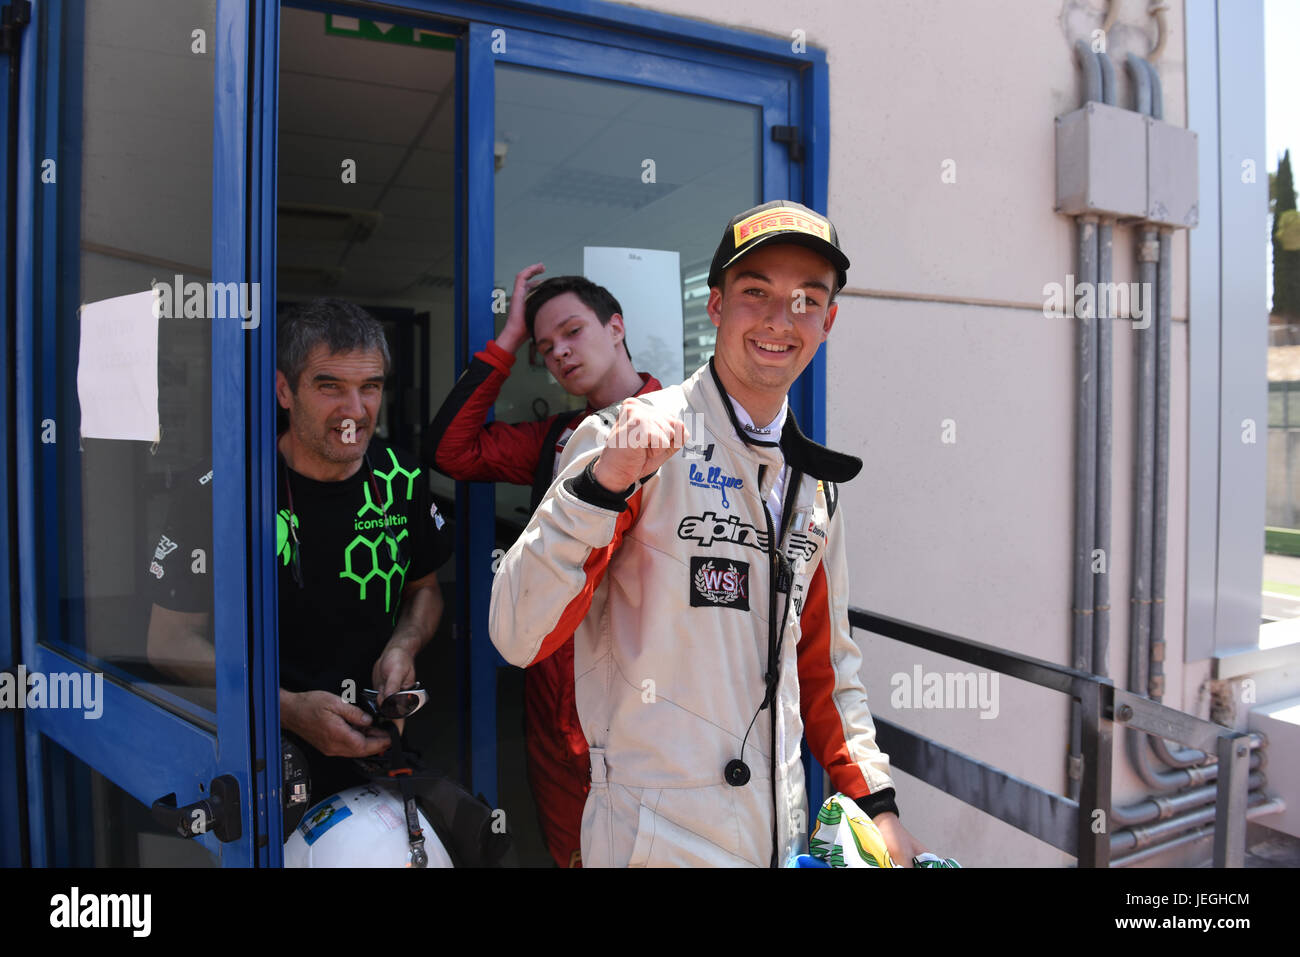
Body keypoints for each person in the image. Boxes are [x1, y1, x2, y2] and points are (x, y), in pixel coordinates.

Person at [489, 200, 928, 867]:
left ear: (828, 322)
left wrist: (876, 801)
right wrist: (603, 486)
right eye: (757, 292)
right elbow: (518, 632)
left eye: (807, 299)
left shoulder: (816, 485)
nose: (781, 319)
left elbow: (828, 670)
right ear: (716, 306)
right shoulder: (623, 438)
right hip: (650, 841)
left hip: (779, 838)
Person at [146, 297, 454, 805]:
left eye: (369, 388)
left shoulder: (403, 479)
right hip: (257, 764)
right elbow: (169, 641)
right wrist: (285, 708)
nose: (355, 411)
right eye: (329, 386)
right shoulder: (220, 491)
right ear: (284, 390)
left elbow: (424, 591)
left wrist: (405, 645)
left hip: (374, 752)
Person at [424, 265, 662, 868]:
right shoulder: (558, 436)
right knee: (571, 850)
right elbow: (452, 450)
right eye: (545, 349)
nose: (559, 353)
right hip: (552, 676)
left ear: (616, 328)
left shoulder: (686, 425)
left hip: (643, 684)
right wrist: (507, 342)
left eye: (572, 332)